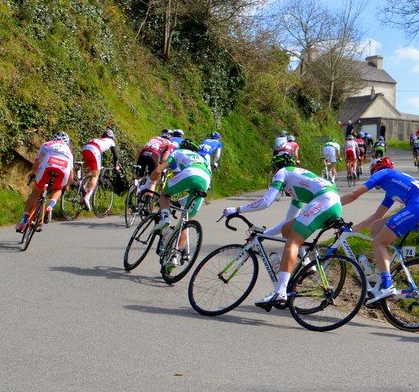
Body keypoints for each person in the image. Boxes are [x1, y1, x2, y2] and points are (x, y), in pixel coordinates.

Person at [222, 153, 343, 310]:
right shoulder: (298, 184)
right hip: (332, 203)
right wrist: (264, 236)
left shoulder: (283, 172)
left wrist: (236, 210)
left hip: (324, 201)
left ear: (275, 168)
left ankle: (280, 292)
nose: (272, 175)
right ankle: (307, 265)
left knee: (292, 243)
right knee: (288, 230)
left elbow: (266, 201)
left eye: (272, 171)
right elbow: (287, 223)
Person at [339, 156, 419, 302]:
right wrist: (352, 230)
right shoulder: (392, 188)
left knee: (378, 243)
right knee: (376, 227)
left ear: (376, 170)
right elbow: (377, 216)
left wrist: (331, 204)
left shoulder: (383, 173)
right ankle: (380, 273)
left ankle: (387, 285)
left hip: (417, 208)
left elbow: (355, 194)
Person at [153, 140, 212, 272]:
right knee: (185, 220)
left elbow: (159, 169)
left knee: (164, 194)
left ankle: (165, 218)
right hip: (205, 180)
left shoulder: (177, 152)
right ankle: (174, 256)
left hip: (190, 173)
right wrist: (179, 203)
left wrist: (148, 184)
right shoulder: (202, 159)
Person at [16, 132, 73, 232]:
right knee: (58, 188)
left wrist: (33, 173)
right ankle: (50, 207)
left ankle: (24, 221)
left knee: (36, 191)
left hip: (49, 163)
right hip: (64, 166)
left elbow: (37, 163)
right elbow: (71, 175)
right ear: (67, 142)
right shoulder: (69, 151)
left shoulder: (46, 144)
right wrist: (67, 185)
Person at [80, 128, 120, 212]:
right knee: (96, 175)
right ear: (112, 137)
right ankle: (87, 196)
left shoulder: (98, 139)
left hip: (85, 148)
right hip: (94, 150)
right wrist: (116, 166)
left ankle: (82, 184)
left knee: (93, 170)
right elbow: (115, 156)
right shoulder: (111, 141)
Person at [136, 130, 175, 195]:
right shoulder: (170, 144)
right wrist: (161, 166)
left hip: (143, 154)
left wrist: (137, 160)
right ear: (171, 137)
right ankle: (147, 203)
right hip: (154, 155)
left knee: (138, 176)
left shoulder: (154, 138)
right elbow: (164, 158)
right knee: (153, 181)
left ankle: (131, 193)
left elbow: (141, 149)